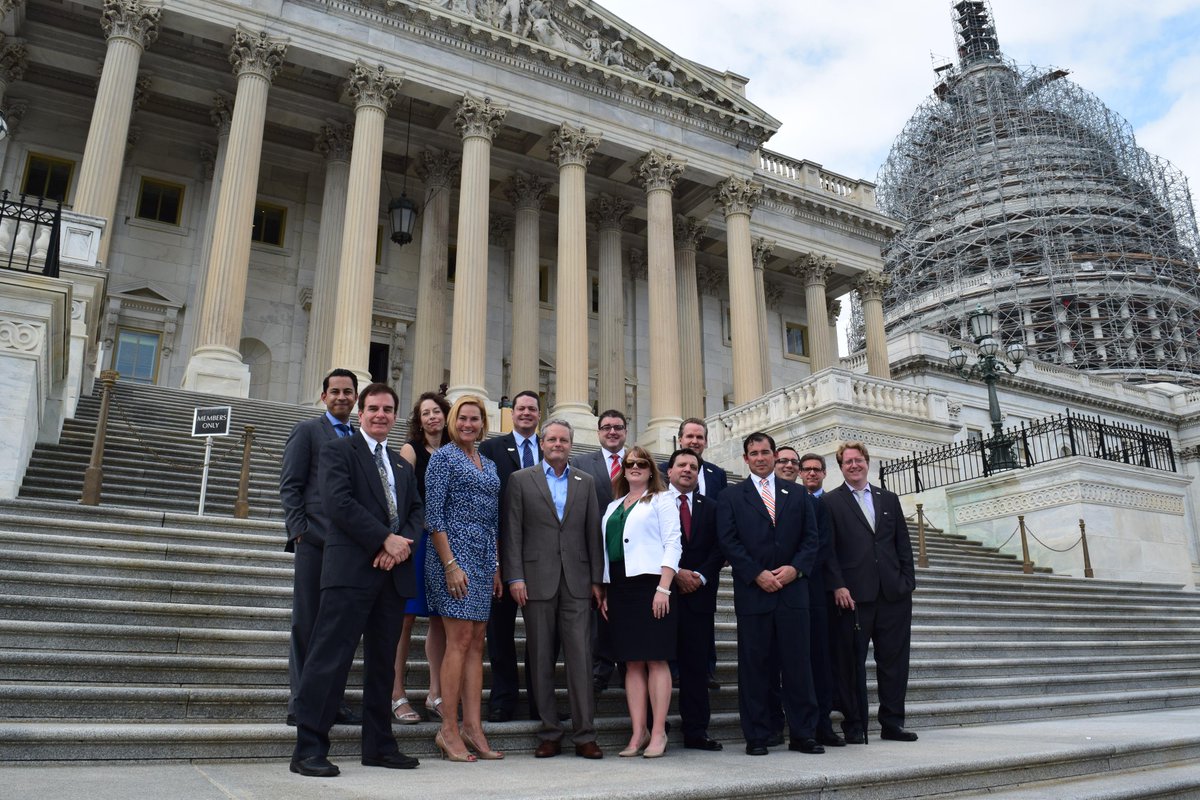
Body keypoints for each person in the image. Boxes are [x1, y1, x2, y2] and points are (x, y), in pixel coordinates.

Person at [290, 383, 422, 777]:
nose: (381, 415)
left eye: (388, 409)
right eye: (374, 408)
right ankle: (309, 748)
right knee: (330, 661)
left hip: (392, 576)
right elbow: (337, 503)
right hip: (350, 573)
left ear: (395, 416)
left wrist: (400, 546)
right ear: (361, 413)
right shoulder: (338, 450)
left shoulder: (401, 463)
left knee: (383, 666)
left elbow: (417, 510)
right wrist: (384, 539)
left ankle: (379, 745)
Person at [503, 418, 604, 759]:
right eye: (552, 439)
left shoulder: (585, 481)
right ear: (542, 443)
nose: (558, 444)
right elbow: (513, 531)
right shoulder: (520, 480)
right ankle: (549, 732)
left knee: (580, 657)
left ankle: (585, 734)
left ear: (571, 445)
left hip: (577, 582)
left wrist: (596, 580)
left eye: (564, 440)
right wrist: (515, 577)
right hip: (535, 581)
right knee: (541, 657)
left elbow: (593, 533)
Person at [716, 431, 822, 757]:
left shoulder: (798, 494)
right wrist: (755, 573)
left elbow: (811, 540)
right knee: (755, 668)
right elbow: (728, 541)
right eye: (754, 453)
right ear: (745, 459)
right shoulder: (731, 497)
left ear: (775, 456)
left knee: (798, 667)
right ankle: (758, 735)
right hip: (754, 595)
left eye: (765, 452)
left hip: (793, 594)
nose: (760, 458)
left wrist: (796, 569)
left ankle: (804, 733)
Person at [279, 368, 362, 728]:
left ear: (356, 398)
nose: (342, 397)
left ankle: (333, 700)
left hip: (349, 549)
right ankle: (301, 702)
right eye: (336, 392)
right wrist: (299, 531)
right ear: (324, 396)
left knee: (338, 628)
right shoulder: (308, 431)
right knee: (307, 623)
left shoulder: (359, 438)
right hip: (314, 543)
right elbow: (291, 485)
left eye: (348, 392)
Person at [823, 441, 918, 744]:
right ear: (840, 467)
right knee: (851, 665)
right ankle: (854, 725)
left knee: (894, 663)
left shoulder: (888, 499)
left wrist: (907, 582)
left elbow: (902, 544)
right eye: (847, 461)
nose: (854, 465)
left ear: (867, 462)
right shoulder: (830, 502)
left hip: (893, 595)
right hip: (853, 597)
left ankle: (893, 723)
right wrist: (838, 584)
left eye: (858, 460)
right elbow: (829, 550)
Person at [424, 395, 502, 761]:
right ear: (453, 421)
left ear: (483, 423)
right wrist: (451, 564)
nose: (469, 424)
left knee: (477, 641)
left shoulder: (488, 463)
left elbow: (494, 520)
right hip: (451, 554)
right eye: (463, 418)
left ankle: (473, 726)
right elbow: (434, 517)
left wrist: (497, 565)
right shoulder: (442, 458)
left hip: (484, 556)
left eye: (475, 419)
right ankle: (448, 729)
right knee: (459, 640)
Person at [600, 446, 681, 759]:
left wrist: (664, 587)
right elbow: (609, 549)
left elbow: (673, 542)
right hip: (620, 587)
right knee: (631, 661)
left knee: (656, 658)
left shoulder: (662, 500)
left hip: (651, 585)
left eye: (641, 463)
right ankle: (638, 732)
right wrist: (605, 588)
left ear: (650, 470)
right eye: (629, 463)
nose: (634, 467)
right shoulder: (613, 506)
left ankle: (658, 731)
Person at [478, 389, 541, 722]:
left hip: (540, 556)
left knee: (541, 633)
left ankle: (538, 698)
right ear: (511, 413)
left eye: (532, 408)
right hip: (502, 551)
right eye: (521, 408)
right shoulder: (491, 448)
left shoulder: (551, 450)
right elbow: (486, 505)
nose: (526, 413)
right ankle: (503, 696)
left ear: (539, 414)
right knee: (499, 632)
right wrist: (495, 562)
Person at [390, 392, 451, 725]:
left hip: (446, 543)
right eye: (426, 412)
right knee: (406, 619)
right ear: (419, 419)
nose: (432, 417)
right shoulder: (411, 450)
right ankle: (397, 693)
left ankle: (435, 693)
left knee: (441, 617)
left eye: (437, 411)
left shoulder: (456, 452)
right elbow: (401, 495)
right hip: (417, 539)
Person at [665, 448, 725, 751]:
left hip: (699, 597)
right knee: (660, 663)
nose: (687, 470)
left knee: (696, 667)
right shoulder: (655, 504)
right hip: (662, 597)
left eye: (693, 466)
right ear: (669, 471)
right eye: (681, 465)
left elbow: (720, 547)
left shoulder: (712, 507)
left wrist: (699, 576)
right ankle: (656, 725)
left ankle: (697, 730)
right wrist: (676, 573)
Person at [571, 409, 628, 694]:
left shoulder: (639, 461)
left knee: (628, 612)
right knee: (597, 613)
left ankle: (628, 667)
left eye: (617, 427)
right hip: (594, 551)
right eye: (606, 427)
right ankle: (600, 669)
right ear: (598, 432)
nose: (612, 432)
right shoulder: (580, 463)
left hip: (631, 557)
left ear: (625, 431)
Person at [797, 452, 844, 747]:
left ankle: (823, 722)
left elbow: (826, 546)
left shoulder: (827, 504)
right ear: (801, 473)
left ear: (825, 473)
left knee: (823, 660)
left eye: (817, 469)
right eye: (807, 469)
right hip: (795, 588)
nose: (812, 474)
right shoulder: (793, 499)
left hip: (821, 590)